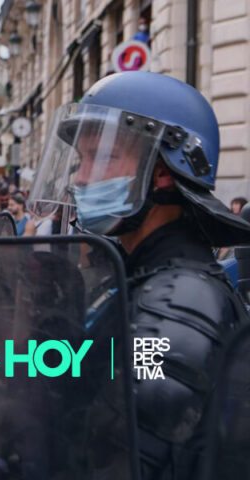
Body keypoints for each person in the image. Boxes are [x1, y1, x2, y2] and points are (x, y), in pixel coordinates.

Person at [30, 71, 250, 479]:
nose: (80, 177)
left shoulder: (179, 300)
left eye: (103, 156)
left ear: (163, 172)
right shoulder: (143, 273)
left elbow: (120, 455)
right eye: (81, 160)